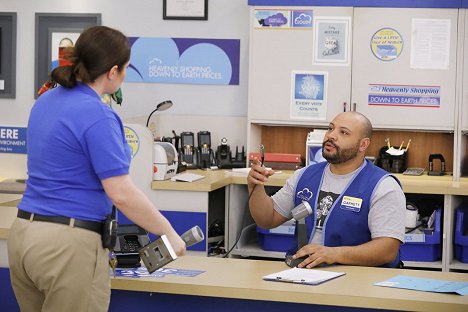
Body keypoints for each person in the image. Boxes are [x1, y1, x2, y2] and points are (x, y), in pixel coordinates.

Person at [7, 26, 186, 312]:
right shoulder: (98, 115)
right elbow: (121, 193)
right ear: (113, 71)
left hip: (24, 236)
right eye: (125, 69)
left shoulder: (45, 101)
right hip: (67, 245)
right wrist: (168, 233)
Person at [247, 111, 405, 269]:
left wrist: (334, 254)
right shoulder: (304, 175)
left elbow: (387, 250)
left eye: (343, 132)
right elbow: (267, 219)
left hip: (357, 278)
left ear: (363, 145)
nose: (331, 136)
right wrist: (256, 185)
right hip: (303, 272)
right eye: (330, 128)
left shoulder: (384, 186)